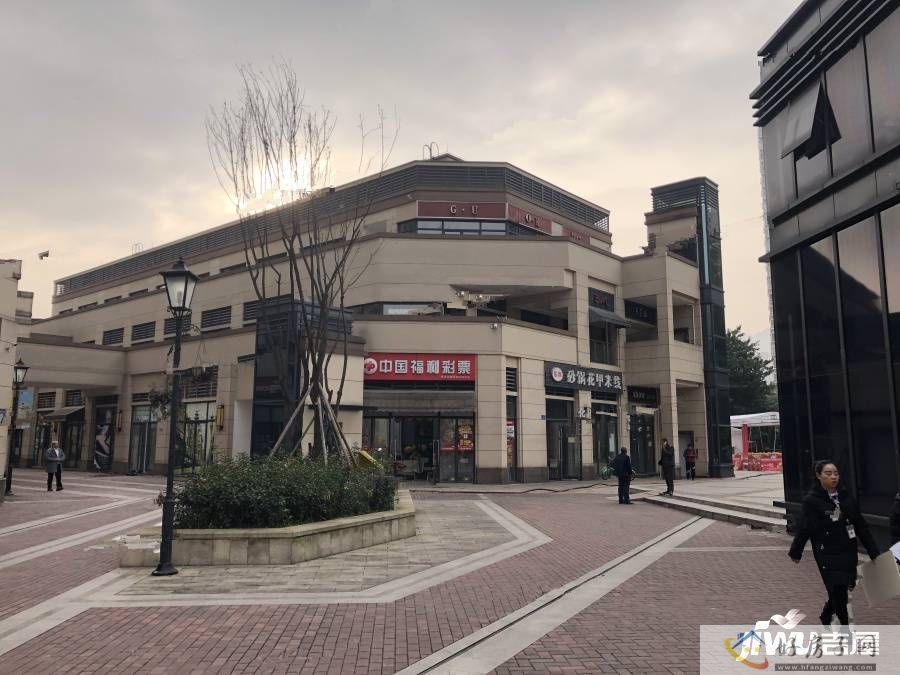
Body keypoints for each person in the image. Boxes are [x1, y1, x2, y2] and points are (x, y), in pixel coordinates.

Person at [788, 460, 879, 627]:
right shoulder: (812, 501)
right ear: (818, 476)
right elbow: (805, 527)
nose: (833, 477)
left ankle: (827, 614)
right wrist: (796, 551)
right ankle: (845, 629)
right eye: (828, 473)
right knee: (837, 588)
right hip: (826, 551)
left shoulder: (846, 497)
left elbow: (861, 525)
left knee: (841, 588)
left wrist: (873, 552)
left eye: (836, 473)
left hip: (847, 550)